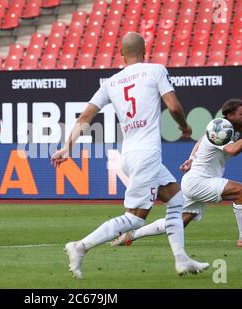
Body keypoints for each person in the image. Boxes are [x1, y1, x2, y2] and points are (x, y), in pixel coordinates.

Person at [51, 32, 210, 279]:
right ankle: (80, 246)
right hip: (147, 154)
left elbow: (84, 118)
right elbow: (175, 106)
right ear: (145, 51)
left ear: (121, 53)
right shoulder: (156, 70)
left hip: (129, 154)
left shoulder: (111, 82)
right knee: (134, 219)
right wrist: (184, 127)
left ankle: (181, 259)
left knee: (176, 199)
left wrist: (67, 147)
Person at [111, 99, 242, 249]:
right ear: (230, 115)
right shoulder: (221, 126)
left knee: (176, 223)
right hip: (199, 181)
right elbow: (233, 150)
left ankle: (131, 235)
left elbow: (202, 139)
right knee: (241, 191)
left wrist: (191, 158)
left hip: (195, 181)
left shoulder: (227, 129)